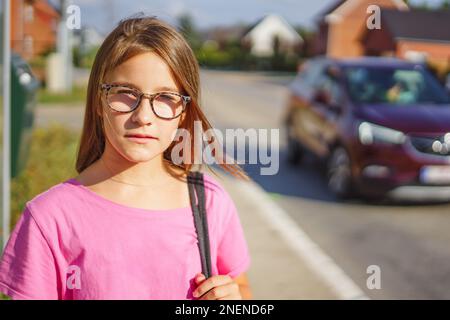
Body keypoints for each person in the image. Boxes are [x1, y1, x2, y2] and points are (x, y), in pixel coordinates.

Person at [0, 15, 252, 300]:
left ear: (183, 112)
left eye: (166, 97)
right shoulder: (49, 218)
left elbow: (241, 288)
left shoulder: (208, 203)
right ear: (98, 101)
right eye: (125, 93)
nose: (143, 116)